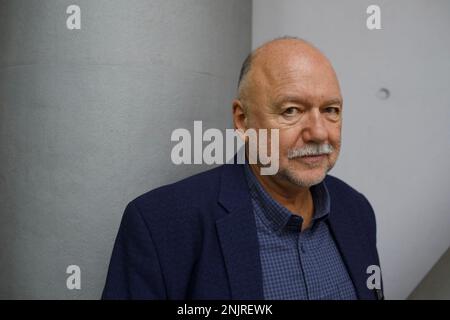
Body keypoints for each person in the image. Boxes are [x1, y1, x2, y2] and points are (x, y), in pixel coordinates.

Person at [102, 37, 383, 300]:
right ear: (242, 120)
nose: (319, 133)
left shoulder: (357, 211)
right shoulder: (161, 224)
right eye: (291, 111)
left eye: (331, 110)